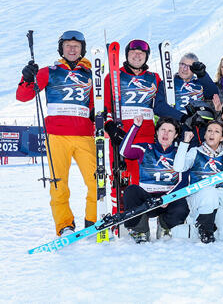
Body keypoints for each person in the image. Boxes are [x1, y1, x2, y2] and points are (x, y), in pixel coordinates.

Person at [16, 31, 96, 235]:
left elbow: (97, 105)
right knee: (59, 184)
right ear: (61, 48)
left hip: (85, 137)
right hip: (57, 137)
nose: (72, 49)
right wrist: (26, 77)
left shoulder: (90, 73)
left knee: (96, 181)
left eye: (76, 46)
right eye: (68, 45)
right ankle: (65, 225)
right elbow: (23, 96)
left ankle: (93, 221)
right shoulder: (48, 71)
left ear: (82, 49)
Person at [103, 39, 182, 188]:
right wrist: (110, 126)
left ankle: (147, 211)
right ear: (127, 55)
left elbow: (161, 106)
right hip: (122, 136)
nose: (137, 56)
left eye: (141, 53)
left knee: (147, 180)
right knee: (120, 180)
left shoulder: (154, 78)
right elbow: (106, 107)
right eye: (133, 52)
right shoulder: (113, 77)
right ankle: (119, 211)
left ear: (146, 57)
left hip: (148, 137)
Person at [118, 115, 189, 243]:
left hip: (168, 199)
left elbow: (184, 181)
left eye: (170, 131)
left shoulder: (180, 152)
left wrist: (168, 197)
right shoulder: (146, 148)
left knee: (183, 204)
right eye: (163, 129)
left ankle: (165, 226)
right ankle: (141, 230)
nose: (165, 134)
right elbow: (124, 151)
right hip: (147, 199)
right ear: (157, 132)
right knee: (131, 191)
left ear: (176, 134)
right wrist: (135, 127)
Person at [173, 119, 223, 243]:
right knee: (210, 193)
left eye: (216, 132)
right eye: (209, 131)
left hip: (221, 200)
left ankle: (206, 228)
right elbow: (178, 168)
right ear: (204, 135)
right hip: (199, 198)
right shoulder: (195, 152)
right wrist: (185, 143)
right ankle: (204, 229)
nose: (212, 134)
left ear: (222, 137)